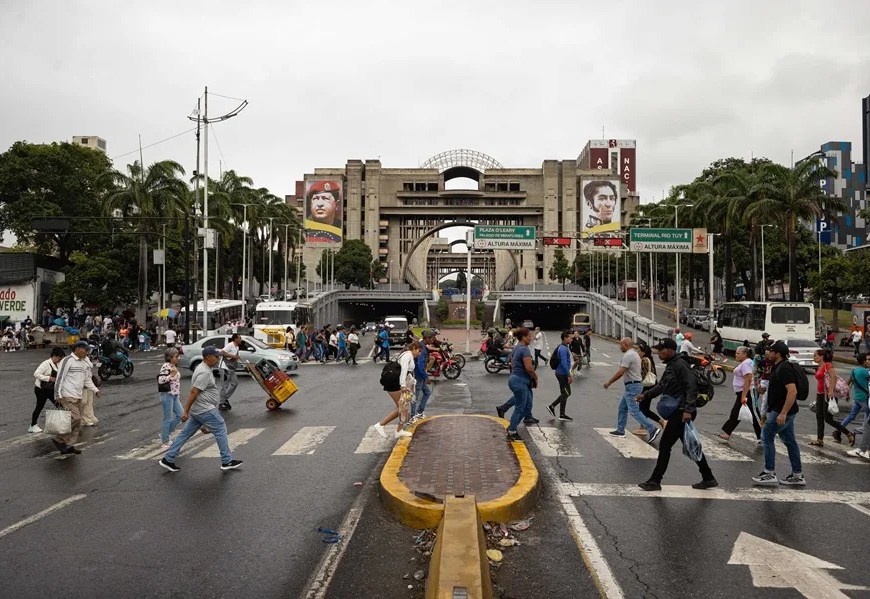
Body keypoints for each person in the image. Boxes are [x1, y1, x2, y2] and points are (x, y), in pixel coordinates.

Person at [635, 339, 717, 491]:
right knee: (690, 444)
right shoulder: (672, 365)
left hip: (681, 411)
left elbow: (691, 386)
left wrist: (688, 410)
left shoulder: (680, 365)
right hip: (678, 411)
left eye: (661, 350)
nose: (658, 353)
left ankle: (655, 480)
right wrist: (645, 395)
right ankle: (708, 477)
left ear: (671, 350)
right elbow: (662, 386)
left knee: (665, 445)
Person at [159, 346, 242, 472]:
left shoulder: (203, 368)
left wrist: (200, 421)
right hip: (204, 408)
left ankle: (168, 458)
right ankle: (226, 461)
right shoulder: (204, 372)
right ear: (208, 357)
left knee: (185, 434)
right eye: (216, 356)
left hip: (199, 409)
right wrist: (186, 411)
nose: (218, 359)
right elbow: (194, 392)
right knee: (220, 427)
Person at [752, 341, 804, 486]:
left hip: (781, 411)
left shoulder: (785, 368)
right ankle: (798, 475)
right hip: (781, 410)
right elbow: (779, 388)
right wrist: (764, 390)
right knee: (790, 442)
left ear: (778, 354)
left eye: (771, 351)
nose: (768, 353)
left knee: (766, 435)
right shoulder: (778, 366)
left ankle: (769, 472)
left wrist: (783, 413)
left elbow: (792, 391)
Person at [605, 338, 661, 442]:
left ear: (625, 344)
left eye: (621, 345)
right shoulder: (634, 354)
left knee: (633, 410)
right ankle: (620, 430)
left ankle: (652, 429)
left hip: (633, 386)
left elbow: (621, 372)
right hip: (633, 385)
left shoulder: (629, 355)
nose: (620, 347)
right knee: (622, 408)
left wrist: (609, 382)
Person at [52, 341, 101, 455]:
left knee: (77, 423)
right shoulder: (68, 360)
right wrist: (57, 395)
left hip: (78, 395)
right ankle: (59, 439)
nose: (87, 352)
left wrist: (95, 390)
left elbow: (87, 379)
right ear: (77, 349)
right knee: (76, 418)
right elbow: (60, 378)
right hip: (67, 395)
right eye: (85, 350)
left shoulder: (83, 362)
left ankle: (69, 445)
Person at [495, 327, 538, 441]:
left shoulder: (517, 347)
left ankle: (512, 426)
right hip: (520, 381)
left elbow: (510, 361)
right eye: (529, 336)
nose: (531, 338)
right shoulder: (524, 349)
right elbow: (529, 368)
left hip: (519, 380)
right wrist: (535, 377)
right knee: (520, 407)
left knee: (527, 407)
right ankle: (512, 431)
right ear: (523, 337)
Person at [373, 341, 421, 440]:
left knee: (403, 407)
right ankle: (381, 425)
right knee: (403, 407)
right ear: (414, 348)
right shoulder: (407, 355)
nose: (419, 353)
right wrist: (403, 385)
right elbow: (403, 370)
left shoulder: (407, 355)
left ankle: (398, 430)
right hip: (396, 384)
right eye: (419, 351)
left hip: (399, 384)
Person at [809, 349, 854, 446]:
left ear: (822, 357)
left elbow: (833, 377)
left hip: (828, 395)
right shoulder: (819, 367)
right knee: (819, 417)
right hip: (820, 394)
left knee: (828, 419)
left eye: (815, 355)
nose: (814, 357)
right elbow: (821, 381)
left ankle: (848, 433)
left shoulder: (827, 365)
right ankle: (819, 439)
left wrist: (830, 391)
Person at [718, 346, 762, 443]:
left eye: (738, 353)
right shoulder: (746, 362)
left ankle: (763, 436)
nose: (736, 355)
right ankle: (727, 432)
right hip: (743, 392)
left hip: (747, 392)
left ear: (745, 354)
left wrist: (743, 396)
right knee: (736, 412)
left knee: (754, 414)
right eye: (736, 353)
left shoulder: (746, 363)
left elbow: (748, 380)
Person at [30, 348, 64, 432]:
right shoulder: (45, 364)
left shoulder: (58, 364)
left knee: (60, 405)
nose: (60, 360)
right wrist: (48, 378)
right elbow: (36, 374)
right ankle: (33, 425)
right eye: (59, 358)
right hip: (41, 390)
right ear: (54, 356)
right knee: (39, 406)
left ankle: (62, 423)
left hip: (51, 388)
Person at [636, 341, 664, 433]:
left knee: (643, 408)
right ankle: (644, 426)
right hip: (652, 385)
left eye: (639, 351)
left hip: (648, 386)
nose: (638, 353)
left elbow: (643, 374)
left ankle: (660, 422)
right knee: (644, 407)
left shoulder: (644, 360)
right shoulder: (649, 358)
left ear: (643, 352)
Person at [546, 331, 573, 421]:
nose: (571, 339)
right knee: (566, 393)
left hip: (562, 373)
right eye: (570, 337)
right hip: (562, 373)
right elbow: (564, 363)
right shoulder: (563, 349)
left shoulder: (564, 347)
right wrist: (569, 375)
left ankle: (552, 406)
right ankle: (561, 414)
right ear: (565, 338)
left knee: (566, 393)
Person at [410, 331, 433, 422]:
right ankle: (412, 416)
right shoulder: (422, 348)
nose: (432, 340)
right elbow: (419, 364)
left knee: (427, 392)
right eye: (431, 338)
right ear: (427, 338)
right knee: (415, 397)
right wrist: (426, 376)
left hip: (421, 375)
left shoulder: (423, 346)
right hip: (418, 375)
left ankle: (419, 412)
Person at [218, 333, 242, 411]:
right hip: (224, 367)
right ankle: (221, 403)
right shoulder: (230, 345)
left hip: (230, 368)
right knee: (224, 386)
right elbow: (222, 352)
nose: (241, 340)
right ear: (235, 339)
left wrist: (237, 358)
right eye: (239, 338)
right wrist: (233, 356)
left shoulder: (237, 347)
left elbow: (235, 357)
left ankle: (225, 398)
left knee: (235, 383)